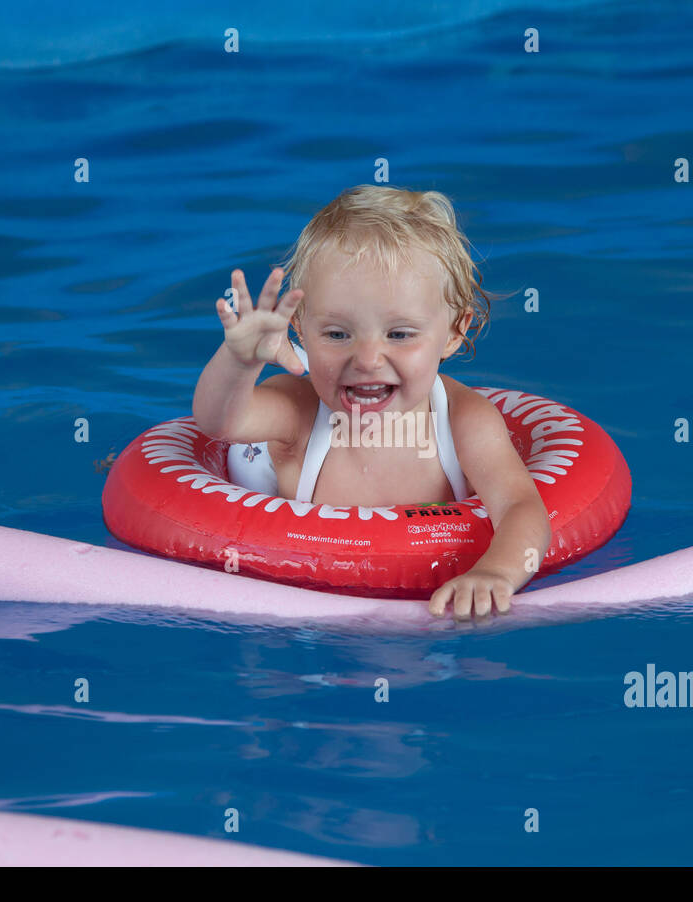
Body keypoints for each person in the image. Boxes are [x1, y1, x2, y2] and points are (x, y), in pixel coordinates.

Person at [192, 185, 550, 621]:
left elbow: (521, 507)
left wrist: (495, 572)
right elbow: (219, 423)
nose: (366, 360)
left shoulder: (463, 422)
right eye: (337, 334)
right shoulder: (301, 413)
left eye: (399, 334)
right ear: (300, 330)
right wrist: (240, 361)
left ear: (455, 331)